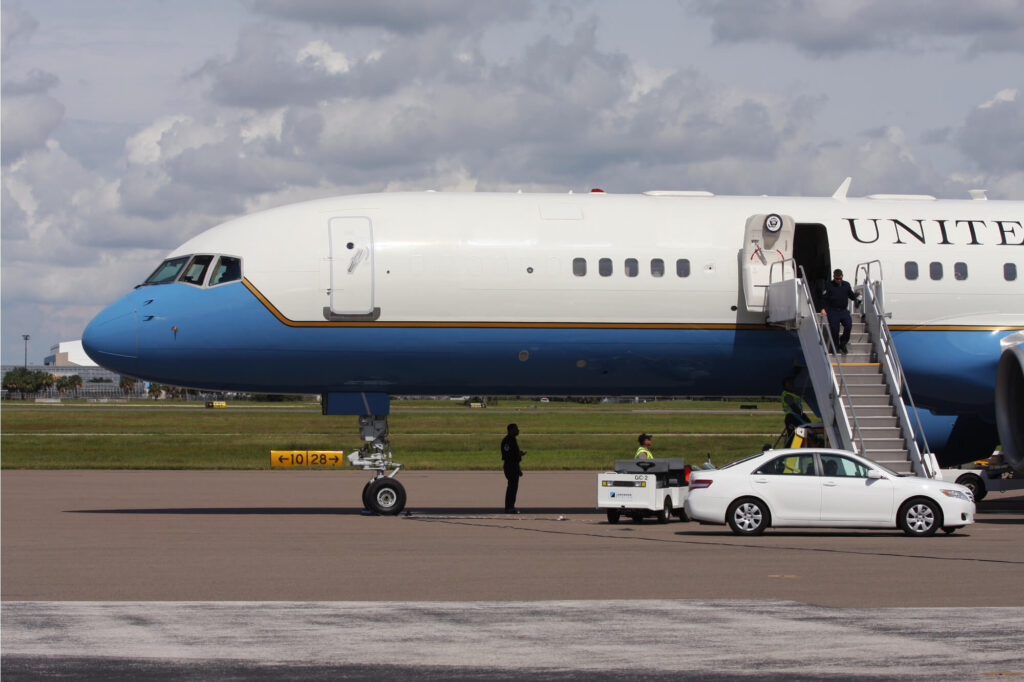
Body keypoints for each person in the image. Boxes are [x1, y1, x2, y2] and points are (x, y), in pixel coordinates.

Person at [819, 268, 861, 354]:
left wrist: (858, 295)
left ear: (842, 277)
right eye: (837, 279)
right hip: (833, 311)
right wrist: (823, 308)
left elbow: (851, 296)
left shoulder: (846, 285)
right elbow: (823, 298)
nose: (838, 280)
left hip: (843, 311)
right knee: (835, 330)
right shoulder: (829, 285)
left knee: (848, 326)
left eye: (840, 279)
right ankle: (835, 347)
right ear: (834, 277)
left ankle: (843, 343)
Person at [501, 423, 525, 513]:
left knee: (513, 487)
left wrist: (518, 469)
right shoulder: (507, 441)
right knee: (511, 487)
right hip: (510, 466)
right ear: (511, 430)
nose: (518, 430)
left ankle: (511, 506)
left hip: (514, 465)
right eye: (516, 429)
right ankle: (509, 507)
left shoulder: (512, 440)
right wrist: (517, 454)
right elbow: (507, 454)